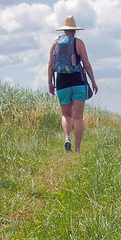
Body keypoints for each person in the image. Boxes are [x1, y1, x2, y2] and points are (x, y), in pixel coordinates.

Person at [47, 16, 98, 153]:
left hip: (61, 82)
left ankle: (67, 138)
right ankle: (77, 148)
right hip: (78, 81)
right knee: (78, 117)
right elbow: (86, 64)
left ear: (64, 30)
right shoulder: (79, 43)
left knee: (66, 115)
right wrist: (93, 82)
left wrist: (50, 82)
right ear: (74, 30)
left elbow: (51, 64)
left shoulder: (55, 42)